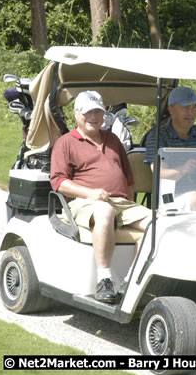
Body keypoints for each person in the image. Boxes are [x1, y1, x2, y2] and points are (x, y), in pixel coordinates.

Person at [50, 91, 150, 304]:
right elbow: (59, 182)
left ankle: (131, 282)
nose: (94, 117)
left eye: (98, 112)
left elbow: (128, 180)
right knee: (105, 211)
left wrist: (129, 204)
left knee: (159, 224)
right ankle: (104, 280)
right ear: (77, 114)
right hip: (85, 202)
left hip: (120, 203)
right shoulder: (66, 143)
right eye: (88, 112)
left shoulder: (112, 139)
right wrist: (90, 193)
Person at [144, 86, 196, 211]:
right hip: (171, 198)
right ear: (171, 109)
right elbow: (159, 173)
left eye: (194, 107)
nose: (191, 113)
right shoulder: (158, 136)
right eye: (186, 108)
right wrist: (183, 169)